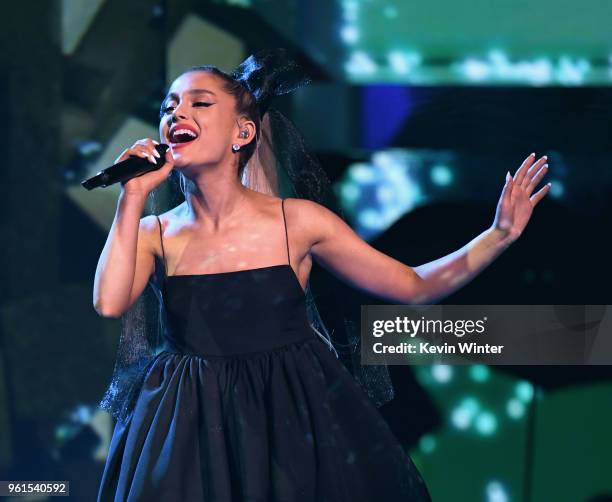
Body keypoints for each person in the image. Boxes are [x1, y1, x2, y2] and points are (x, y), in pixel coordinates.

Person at [93, 50, 550, 501]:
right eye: (168, 106)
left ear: (242, 132)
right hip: (189, 418)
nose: (177, 114)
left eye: (200, 102)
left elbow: (413, 286)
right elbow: (109, 303)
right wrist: (131, 197)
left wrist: (499, 235)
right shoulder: (154, 232)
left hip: (286, 411)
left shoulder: (297, 222)